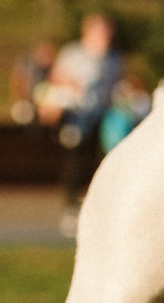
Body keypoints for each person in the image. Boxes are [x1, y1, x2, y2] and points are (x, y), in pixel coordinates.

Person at [48, 13, 121, 226]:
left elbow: (114, 87)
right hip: (77, 116)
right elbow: (56, 77)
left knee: (104, 159)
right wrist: (69, 83)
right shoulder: (73, 53)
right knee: (76, 160)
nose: (107, 37)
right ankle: (71, 207)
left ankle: (101, 205)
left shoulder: (113, 58)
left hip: (103, 116)